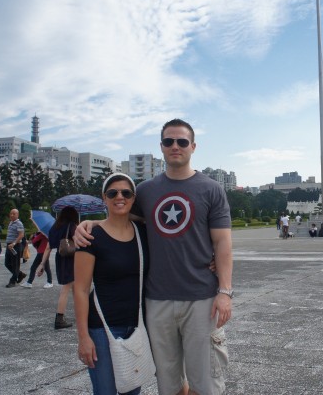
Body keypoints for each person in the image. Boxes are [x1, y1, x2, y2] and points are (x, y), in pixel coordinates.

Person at [76, 118, 233, 395]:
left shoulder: (211, 189)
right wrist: (91, 225)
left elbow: (222, 242)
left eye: (182, 141)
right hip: (156, 301)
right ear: (161, 147)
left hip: (202, 297)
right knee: (168, 383)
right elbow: (120, 218)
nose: (175, 146)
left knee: (206, 382)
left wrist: (225, 291)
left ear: (193, 146)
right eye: (169, 141)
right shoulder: (146, 191)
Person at [74, 173, 166, 395]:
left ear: (134, 198)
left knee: (131, 391)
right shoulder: (91, 236)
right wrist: (83, 337)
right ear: (103, 198)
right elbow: (80, 289)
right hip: (101, 329)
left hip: (136, 326)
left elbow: (178, 244)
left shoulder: (143, 233)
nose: (119, 197)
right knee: (105, 391)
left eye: (126, 193)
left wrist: (210, 260)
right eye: (112, 193)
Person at [37, 206, 79, 329]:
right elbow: (78, 242)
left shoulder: (55, 228)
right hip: (71, 259)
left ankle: (80, 314)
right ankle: (59, 319)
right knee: (66, 289)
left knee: (76, 289)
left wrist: (42, 264)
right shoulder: (71, 226)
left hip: (60, 258)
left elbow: (49, 247)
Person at [4, 209, 26, 288]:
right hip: (9, 246)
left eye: (14, 214)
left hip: (15, 246)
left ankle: (12, 281)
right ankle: (20, 274)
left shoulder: (19, 223)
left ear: (17, 215)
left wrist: (13, 243)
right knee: (7, 263)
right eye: (11, 213)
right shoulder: (11, 223)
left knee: (15, 265)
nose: (12, 215)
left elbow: (21, 235)